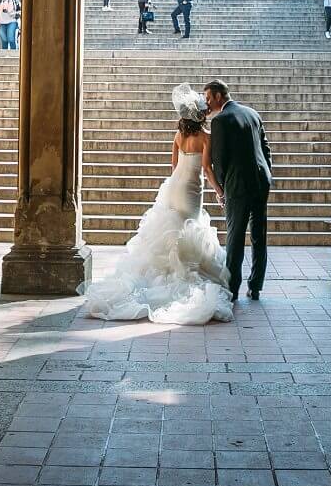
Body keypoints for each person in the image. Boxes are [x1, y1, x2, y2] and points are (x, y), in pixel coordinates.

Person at [82, 84, 233, 324]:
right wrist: (220, 192)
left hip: (174, 188)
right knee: (188, 228)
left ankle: (164, 273)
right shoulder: (206, 138)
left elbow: (173, 167)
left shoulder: (178, 136)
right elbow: (206, 169)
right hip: (192, 190)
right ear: (201, 115)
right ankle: (180, 274)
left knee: (171, 232)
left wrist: (175, 185)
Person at [205, 79, 272, 302]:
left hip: (238, 186)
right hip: (261, 182)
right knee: (259, 236)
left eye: (208, 98)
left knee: (234, 238)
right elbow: (265, 148)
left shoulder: (220, 120)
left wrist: (222, 188)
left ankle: (232, 289)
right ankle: (256, 287)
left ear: (217, 96)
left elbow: (218, 160)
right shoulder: (252, 113)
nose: (206, 103)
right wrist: (266, 174)